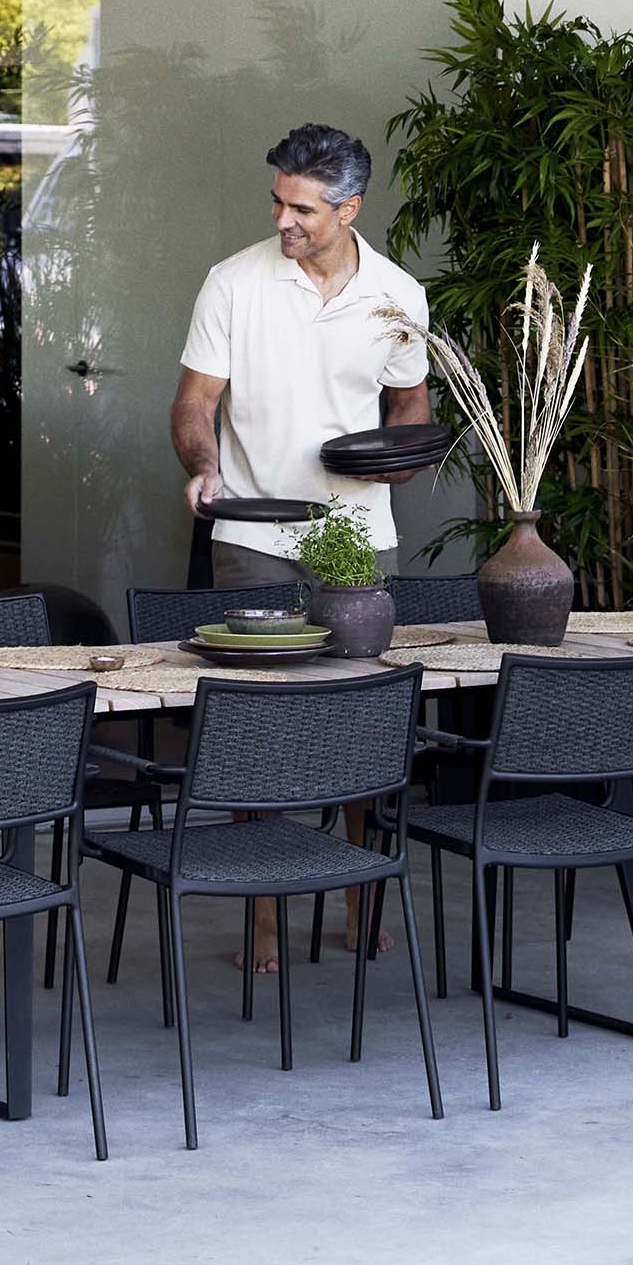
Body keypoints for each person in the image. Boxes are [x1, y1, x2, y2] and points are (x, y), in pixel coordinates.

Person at [171, 122, 433, 972]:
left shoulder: (397, 295)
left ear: (349, 207)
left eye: (303, 208)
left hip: (358, 537)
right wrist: (204, 467)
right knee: (257, 726)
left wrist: (398, 462)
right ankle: (264, 920)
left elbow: (409, 409)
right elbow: (193, 402)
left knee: (360, 722)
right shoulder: (234, 283)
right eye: (278, 201)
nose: (284, 219)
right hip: (250, 529)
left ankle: (360, 904)